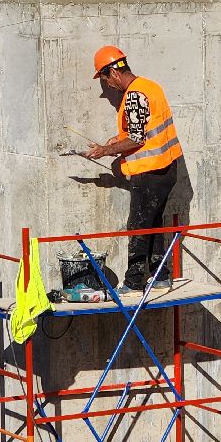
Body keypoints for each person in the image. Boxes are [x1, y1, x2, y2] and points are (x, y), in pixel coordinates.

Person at [84, 46, 184, 291]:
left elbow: (138, 138)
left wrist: (105, 151)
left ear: (113, 73)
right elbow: (144, 130)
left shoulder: (134, 95)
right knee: (153, 222)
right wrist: (115, 142)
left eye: (105, 80)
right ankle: (160, 275)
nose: (108, 87)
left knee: (138, 225)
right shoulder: (150, 87)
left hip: (150, 171)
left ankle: (134, 280)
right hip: (167, 168)